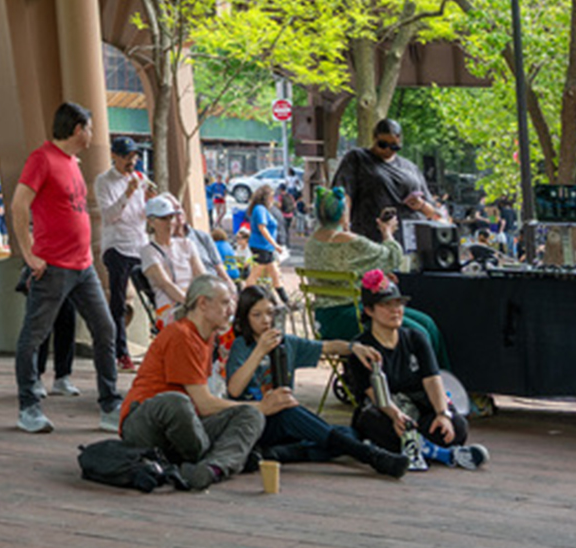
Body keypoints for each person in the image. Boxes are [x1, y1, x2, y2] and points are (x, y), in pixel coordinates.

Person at [9, 102, 123, 434]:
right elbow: (19, 205)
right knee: (33, 336)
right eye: (89, 128)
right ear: (76, 129)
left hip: (83, 266)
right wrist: (29, 256)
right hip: (53, 267)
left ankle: (110, 404)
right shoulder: (41, 159)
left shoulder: (72, 162)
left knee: (105, 329)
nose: (92, 134)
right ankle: (28, 408)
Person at [221, 285, 406, 478]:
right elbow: (234, 390)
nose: (265, 320)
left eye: (269, 313)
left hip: (283, 424)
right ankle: (370, 456)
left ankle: (275, 454)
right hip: (255, 420)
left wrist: (354, 347)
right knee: (292, 413)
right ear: (245, 318)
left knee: (348, 434)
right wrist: (259, 351)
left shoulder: (287, 342)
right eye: (256, 315)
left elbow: (327, 347)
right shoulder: (241, 346)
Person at [116, 277, 263, 491]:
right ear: (202, 304)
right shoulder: (181, 335)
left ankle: (212, 468)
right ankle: (215, 456)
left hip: (185, 432)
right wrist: (260, 405)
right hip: (145, 423)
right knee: (177, 402)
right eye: (224, 302)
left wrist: (253, 410)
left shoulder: (209, 336)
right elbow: (203, 404)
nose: (230, 310)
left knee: (251, 416)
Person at [342, 271, 485, 470]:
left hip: (418, 408)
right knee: (374, 422)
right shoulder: (361, 347)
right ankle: (441, 454)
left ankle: (417, 448)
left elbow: (432, 379)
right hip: (387, 410)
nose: (395, 311)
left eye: (398, 304)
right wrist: (395, 415)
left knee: (457, 426)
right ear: (369, 310)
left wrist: (442, 414)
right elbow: (373, 394)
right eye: (386, 305)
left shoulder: (416, 338)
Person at [301, 187, 449, 369]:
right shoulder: (350, 242)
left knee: (425, 324)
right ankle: (432, 384)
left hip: (325, 319)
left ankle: (436, 383)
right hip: (355, 316)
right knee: (422, 330)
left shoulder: (312, 244)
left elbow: (346, 270)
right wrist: (387, 231)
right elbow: (392, 256)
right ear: (343, 214)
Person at [333, 118, 451, 242]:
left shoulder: (410, 167)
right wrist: (344, 227)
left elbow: (431, 211)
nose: (388, 150)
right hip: (373, 239)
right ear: (374, 138)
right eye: (383, 144)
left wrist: (421, 205)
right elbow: (344, 193)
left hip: (410, 238)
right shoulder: (358, 158)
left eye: (394, 146)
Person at [93, 138, 154, 370]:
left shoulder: (139, 178)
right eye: (127, 157)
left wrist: (149, 201)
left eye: (135, 157)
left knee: (154, 293)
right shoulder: (104, 181)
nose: (132, 161)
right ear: (115, 157)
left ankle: (157, 345)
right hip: (117, 246)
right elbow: (109, 216)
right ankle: (120, 353)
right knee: (118, 301)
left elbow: (142, 214)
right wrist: (127, 194)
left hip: (140, 244)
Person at [139, 194, 216, 325]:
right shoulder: (148, 251)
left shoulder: (186, 244)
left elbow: (202, 276)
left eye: (171, 217)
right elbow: (166, 284)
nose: (169, 223)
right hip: (170, 308)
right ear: (151, 222)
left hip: (195, 300)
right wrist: (192, 304)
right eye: (163, 218)